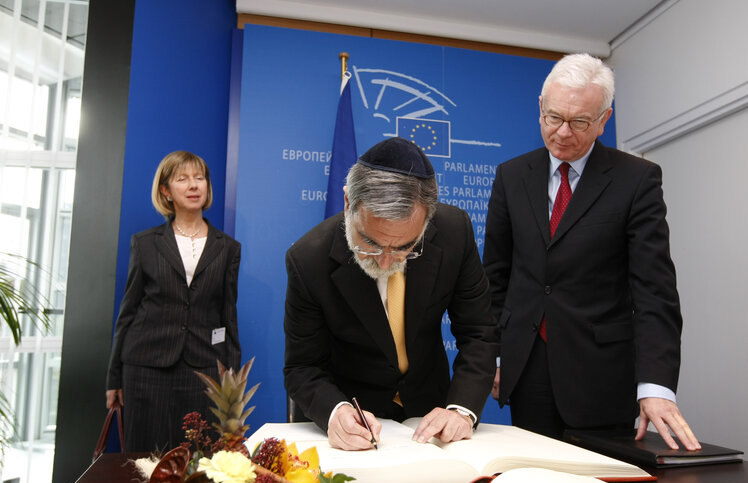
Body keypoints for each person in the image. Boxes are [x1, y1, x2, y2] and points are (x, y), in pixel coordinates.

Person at [483, 53, 700, 450]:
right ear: (540, 109)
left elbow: (655, 292)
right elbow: (495, 277)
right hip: (528, 367)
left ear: (604, 119)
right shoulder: (511, 176)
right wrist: (496, 356)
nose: (563, 132)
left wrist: (655, 385)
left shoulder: (637, 180)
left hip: (603, 375)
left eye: (580, 121)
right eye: (554, 118)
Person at [284, 137, 498, 451]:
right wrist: (336, 411)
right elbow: (302, 367)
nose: (385, 262)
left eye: (404, 248)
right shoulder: (308, 259)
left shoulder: (454, 232)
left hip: (429, 418)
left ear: (426, 221)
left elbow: (479, 331)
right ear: (348, 205)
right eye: (370, 243)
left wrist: (461, 409)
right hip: (354, 420)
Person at [106, 150, 241, 452]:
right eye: (183, 179)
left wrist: (232, 383)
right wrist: (114, 378)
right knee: (143, 461)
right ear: (166, 191)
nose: (194, 185)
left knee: (198, 462)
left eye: (200, 178)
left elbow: (227, 316)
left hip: (202, 369)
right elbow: (128, 311)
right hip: (145, 367)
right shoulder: (145, 243)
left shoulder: (228, 248)